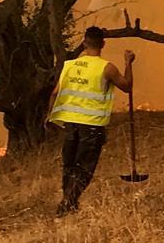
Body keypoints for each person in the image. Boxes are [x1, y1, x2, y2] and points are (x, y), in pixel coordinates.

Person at [46, 26, 134, 217]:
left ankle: (69, 201)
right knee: (85, 167)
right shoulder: (107, 68)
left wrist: (50, 118)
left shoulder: (69, 66)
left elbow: (54, 93)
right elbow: (126, 87)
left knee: (69, 165)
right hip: (92, 125)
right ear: (103, 44)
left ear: (84, 43)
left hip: (71, 124)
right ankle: (68, 203)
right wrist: (128, 63)